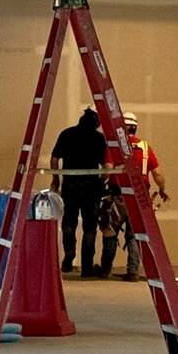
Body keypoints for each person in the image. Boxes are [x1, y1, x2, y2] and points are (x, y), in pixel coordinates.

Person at [100, 113, 169, 281]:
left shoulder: (114, 147)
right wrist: (162, 190)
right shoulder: (145, 148)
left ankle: (105, 270)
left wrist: (102, 182)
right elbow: (157, 174)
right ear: (135, 128)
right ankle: (133, 272)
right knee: (134, 234)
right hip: (140, 198)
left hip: (118, 196)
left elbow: (108, 170)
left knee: (110, 232)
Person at [48, 109, 107, 276]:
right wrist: (102, 182)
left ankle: (69, 256)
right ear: (96, 123)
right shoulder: (99, 138)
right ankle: (87, 267)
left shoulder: (67, 134)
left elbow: (54, 158)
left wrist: (56, 180)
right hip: (91, 188)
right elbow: (105, 165)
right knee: (90, 227)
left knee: (69, 222)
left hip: (70, 186)